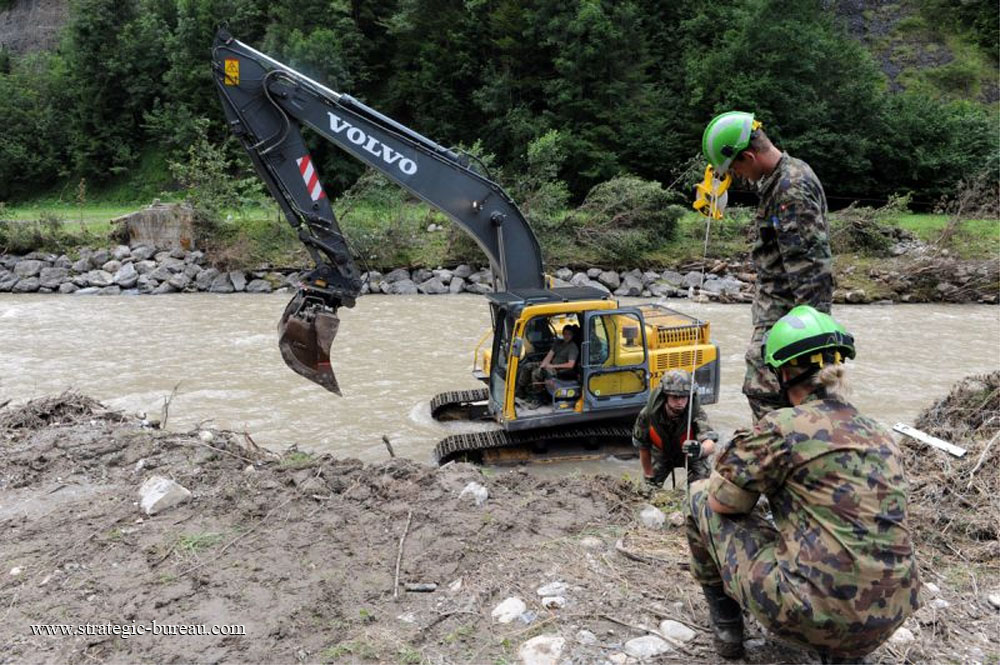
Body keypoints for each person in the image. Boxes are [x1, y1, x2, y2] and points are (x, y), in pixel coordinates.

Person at [685, 306, 920, 662]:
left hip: (812, 614)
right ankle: (846, 651)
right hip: (894, 609)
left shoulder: (781, 426)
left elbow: (722, 503)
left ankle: (728, 630)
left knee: (699, 496)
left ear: (784, 374)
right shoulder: (880, 432)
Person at [702, 111, 833, 422]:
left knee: (766, 393)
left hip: (789, 323)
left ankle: (785, 450)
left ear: (749, 156)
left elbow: (810, 272)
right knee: (775, 397)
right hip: (780, 317)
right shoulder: (783, 178)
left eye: (736, 169)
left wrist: (809, 346)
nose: (739, 176)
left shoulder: (790, 189)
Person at [632, 369, 719, 487]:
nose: (680, 402)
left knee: (703, 486)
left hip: (691, 454)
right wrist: (648, 475)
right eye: (675, 397)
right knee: (648, 487)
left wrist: (700, 450)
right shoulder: (648, 415)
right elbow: (643, 447)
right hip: (663, 453)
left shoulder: (696, 413)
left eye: (684, 397)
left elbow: (710, 443)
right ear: (665, 396)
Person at [516, 323, 579, 405]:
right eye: (565, 334)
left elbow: (570, 365)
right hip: (551, 365)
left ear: (572, 335)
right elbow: (549, 355)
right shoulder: (559, 343)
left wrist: (552, 366)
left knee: (536, 373)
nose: (566, 336)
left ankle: (538, 398)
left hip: (560, 369)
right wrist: (543, 364)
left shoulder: (573, 347)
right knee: (527, 366)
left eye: (569, 334)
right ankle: (521, 390)